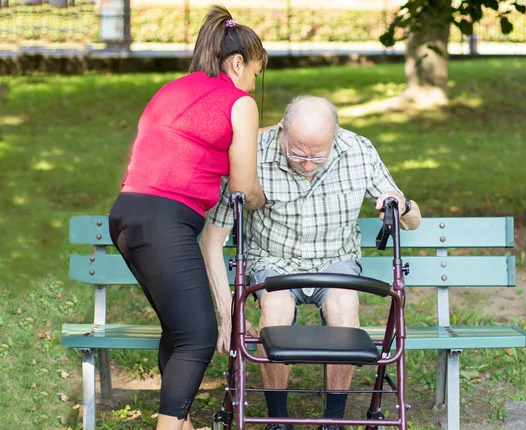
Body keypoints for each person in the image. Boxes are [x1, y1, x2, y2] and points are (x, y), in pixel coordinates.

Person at [200, 96, 422, 430]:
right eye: (298, 152)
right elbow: (211, 238)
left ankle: (332, 420)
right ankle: (278, 419)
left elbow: (412, 220)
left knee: (344, 306)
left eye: (317, 154)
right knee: (275, 310)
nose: (306, 163)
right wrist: (226, 314)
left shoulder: (357, 150)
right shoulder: (253, 154)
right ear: (282, 131)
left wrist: (399, 205)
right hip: (273, 261)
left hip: (336, 260)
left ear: (336, 136)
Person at [107, 5, 267, 430]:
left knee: (179, 329)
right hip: (165, 222)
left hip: (126, 216)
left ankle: (183, 422)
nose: (254, 82)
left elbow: (188, 139)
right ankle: (170, 426)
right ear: (237, 63)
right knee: (197, 336)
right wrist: (261, 198)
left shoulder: (173, 88)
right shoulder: (240, 102)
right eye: (255, 72)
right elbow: (243, 188)